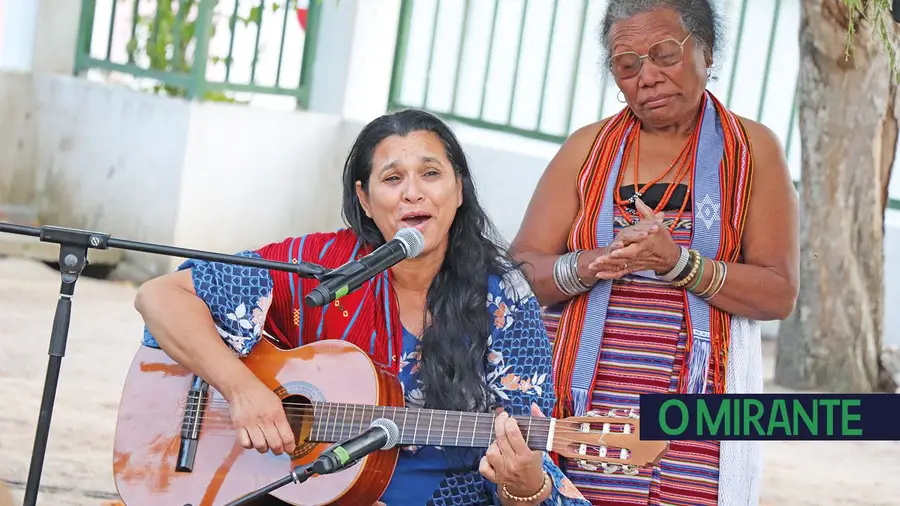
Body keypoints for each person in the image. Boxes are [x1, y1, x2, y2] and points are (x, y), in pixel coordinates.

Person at [135, 109, 589, 506]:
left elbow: (523, 463)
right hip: (298, 492)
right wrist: (240, 390)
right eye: (392, 179)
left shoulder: (504, 298)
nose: (413, 193)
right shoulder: (323, 267)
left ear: (460, 189)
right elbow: (160, 296)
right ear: (366, 200)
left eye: (431, 174)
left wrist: (523, 484)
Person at [509, 1, 799, 505]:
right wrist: (589, 264)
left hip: (697, 417)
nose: (648, 76)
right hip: (582, 407)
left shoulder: (754, 151)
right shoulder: (587, 149)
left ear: (706, 53)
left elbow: (778, 293)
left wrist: (678, 264)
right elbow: (520, 275)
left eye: (664, 54)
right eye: (627, 64)